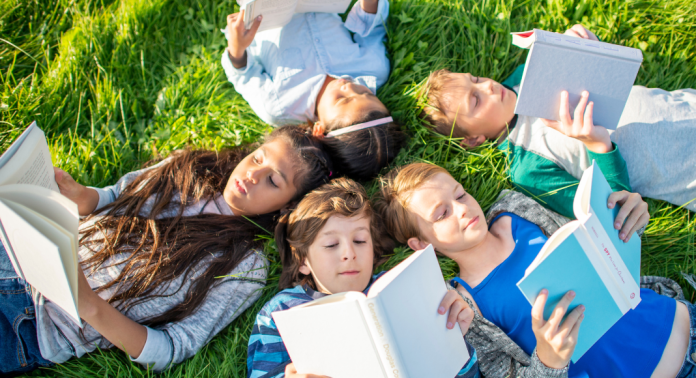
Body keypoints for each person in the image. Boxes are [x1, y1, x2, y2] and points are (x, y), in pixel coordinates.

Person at [0, 125, 334, 375]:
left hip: (34, 320)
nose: (252, 174)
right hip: (18, 250)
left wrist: (88, 305)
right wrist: (84, 196)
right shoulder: (189, 166)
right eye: (257, 158)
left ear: (287, 205)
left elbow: (172, 348)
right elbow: (118, 195)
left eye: (273, 181)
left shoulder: (245, 266)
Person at [375, 162, 693, 378]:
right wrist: (548, 356)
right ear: (421, 244)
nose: (462, 208)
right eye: (442, 213)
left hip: (683, 321)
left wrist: (626, 219)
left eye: (460, 194)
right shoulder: (464, 313)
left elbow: (601, 248)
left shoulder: (515, 209)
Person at [419, 23, 696, 217]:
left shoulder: (527, 74)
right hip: (682, 169)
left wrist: (584, 49)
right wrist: (597, 144)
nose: (488, 87)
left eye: (476, 80)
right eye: (475, 100)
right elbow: (609, 210)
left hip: (683, 104)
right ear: (473, 139)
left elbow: (601, 74)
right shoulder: (528, 169)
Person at [247, 177, 479, 378]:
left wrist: (455, 342)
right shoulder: (281, 312)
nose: (349, 254)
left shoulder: (399, 288)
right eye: (331, 244)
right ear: (303, 261)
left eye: (360, 241)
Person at [221, 0, 404, 179]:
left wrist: (237, 49)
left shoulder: (280, 105)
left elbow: (243, 76)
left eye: (342, 99)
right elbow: (372, 30)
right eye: (366, 93)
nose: (349, 86)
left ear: (320, 130)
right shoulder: (373, 69)